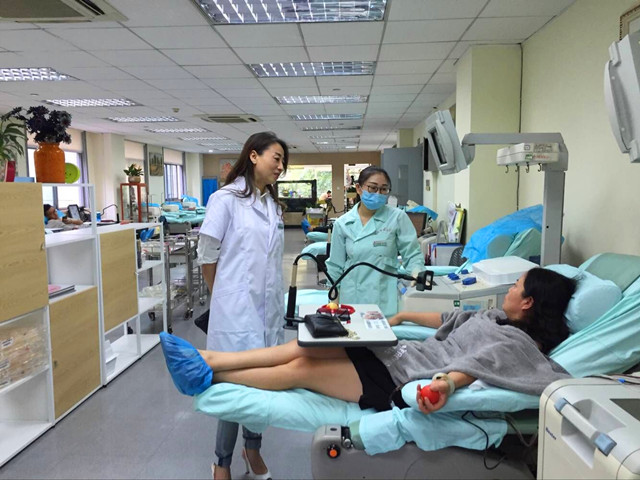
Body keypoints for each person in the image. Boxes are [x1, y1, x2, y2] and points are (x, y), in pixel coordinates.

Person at [160, 268, 577, 417]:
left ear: (528, 302)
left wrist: (446, 384)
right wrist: (401, 316)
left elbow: (477, 367)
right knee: (308, 343)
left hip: (400, 378)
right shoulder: (494, 316)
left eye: (516, 285)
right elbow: (449, 319)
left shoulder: (517, 343)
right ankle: (212, 357)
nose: (509, 289)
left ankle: (209, 377)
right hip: (399, 351)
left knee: (302, 370)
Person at [196, 131, 288, 480]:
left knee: (260, 385)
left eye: (283, 161)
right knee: (233, 389)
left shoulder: (272, 205)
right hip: (235, 312)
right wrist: (223, 297)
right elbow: (207, 255)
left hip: (268, 311)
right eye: (276, 158)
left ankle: (253, 449)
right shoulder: (225, 199)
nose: (280, 166)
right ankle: (222, 462)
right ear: (253, 155)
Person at [325, 166, 424, 317]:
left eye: (384, 189)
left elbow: (412, 254)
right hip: (351, 298)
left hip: (383, 297)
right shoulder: (343, 223)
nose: (378, 194)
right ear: (358, 188)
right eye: (372, 188)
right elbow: (335, 266)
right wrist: (333, 299)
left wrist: (417, 271)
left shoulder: (397, 217)